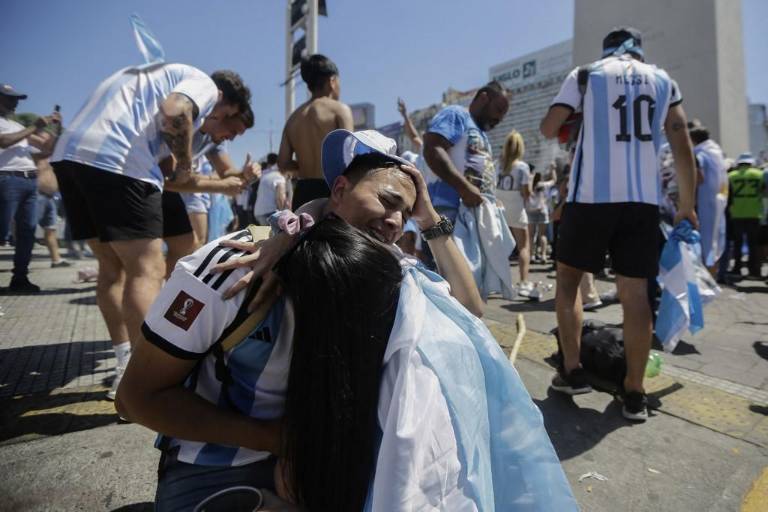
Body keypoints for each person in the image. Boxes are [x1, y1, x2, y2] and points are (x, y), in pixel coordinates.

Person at [116, 128, 484, 510]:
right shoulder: (238, 266)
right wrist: (279, 440)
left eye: (405, 214)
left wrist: (430, 221)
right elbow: (135, 398)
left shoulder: (391, 272)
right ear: (338, 190)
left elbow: (468, 313)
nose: (395, 221)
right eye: (387, 200)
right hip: (220, 468)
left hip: (329, 463)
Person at [51, 64, 252, 400]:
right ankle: (149, 380)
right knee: (146, 271)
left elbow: (168, 175)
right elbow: (176, 112)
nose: (216, 125)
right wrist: (187, 163)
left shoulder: (150, 75)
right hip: (119, 162)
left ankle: (124, 362)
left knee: (111, 270)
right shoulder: (203, 84)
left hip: (71, 156)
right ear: (224, 103)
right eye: (228, 117)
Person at [540, 27, 697, 421]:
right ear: (639, 51)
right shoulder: (664, 80)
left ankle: (573, 370)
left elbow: (548, 127)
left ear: (606, 48)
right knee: (635, 295)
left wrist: (575, 116)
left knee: (570, 281)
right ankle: (634, 392)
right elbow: (681, 142)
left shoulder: (586, 74)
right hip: (642, 200)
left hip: (590, 196)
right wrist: (687, 204)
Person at [0, 83, 61, 292]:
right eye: (10, 98)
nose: (15, 102)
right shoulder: (9, 127)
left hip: (29, 181)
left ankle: (20, 278)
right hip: (7, 179)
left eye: (17, 99)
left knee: (27, 232)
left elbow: (44, 151)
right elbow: (4, 141)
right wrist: (35, 126)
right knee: (2, 230)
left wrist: (56, 131)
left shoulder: (17, 126)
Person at [422, 81, 509, 222]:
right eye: (499, 109)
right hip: (447, 211)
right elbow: (432, 148)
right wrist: (463, 188)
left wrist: (492, 200)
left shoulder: (481, 133)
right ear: (483, 98)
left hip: (474, 216)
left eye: (503, 115)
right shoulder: (456, 114)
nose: (499, 119)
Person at [279, 54, 354, 210]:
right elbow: (350, 156)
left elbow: (283, 164)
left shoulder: (293, 119)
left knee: (304, 234)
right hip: (333, 189)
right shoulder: (340, 110)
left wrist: (306, 165)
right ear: (332, 81)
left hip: (303, 193)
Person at [688, 122, 729, 274]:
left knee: (705, 243)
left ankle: (706, 282)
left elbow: (699, 177)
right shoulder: (715, 151)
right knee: (714, 241)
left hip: (704, 205)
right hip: (717, 203)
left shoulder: (700, 154)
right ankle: (713, 276)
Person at [496, 130, 533, 293]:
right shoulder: (522, 167)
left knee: (500, 247)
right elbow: (527, 192)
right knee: (524, 247)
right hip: (516, 208)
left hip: (499, 208)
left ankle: (499, 282)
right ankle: (524, 282)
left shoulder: (497, 164)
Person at [727, 152, 765, 278]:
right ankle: (753, 270)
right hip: (755, 212)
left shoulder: (731, 175)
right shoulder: (759, 174)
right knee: (753, 243)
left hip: (736, 213)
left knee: (737, 243)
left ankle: (737, 268)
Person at [527, 167, 556, 264]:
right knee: (542, 235)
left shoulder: (529, 185)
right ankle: (543, 255)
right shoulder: (544, 185)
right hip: (542, 210)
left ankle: (532, 255)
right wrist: (553, 169)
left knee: (531, 235)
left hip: (530, 210)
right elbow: (554, 180)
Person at [253, 153, 288, 225]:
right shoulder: (278, 176)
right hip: (270, 212)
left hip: (258, 212)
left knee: (265, 234)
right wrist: (284, 213)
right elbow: (280, 198)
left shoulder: (263, 175)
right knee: (276, 235)